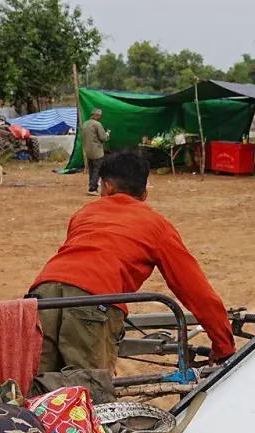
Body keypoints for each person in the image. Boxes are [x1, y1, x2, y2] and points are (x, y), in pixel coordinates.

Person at [29, 151, 236, 373]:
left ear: (107, 187)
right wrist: (223, 344)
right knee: (90, 391)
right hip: (95, 299)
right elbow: (193, 289)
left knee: (36, 383)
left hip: (42, 295)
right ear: (144, 194)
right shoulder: (156, 225)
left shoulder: (84, 213)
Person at [80, 108, 110, 195]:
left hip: (88, 151)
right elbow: (103, 138)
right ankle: (92, 189)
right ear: (96, 115)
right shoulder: (97, 124)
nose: (100, 117)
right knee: (97, 170)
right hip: (97, 151)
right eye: (100, 116)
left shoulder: (85, 124)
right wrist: (107, 134)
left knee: (92, 169)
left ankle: (91, 186)